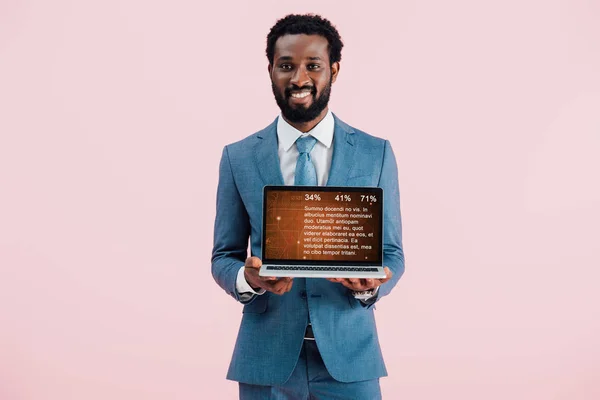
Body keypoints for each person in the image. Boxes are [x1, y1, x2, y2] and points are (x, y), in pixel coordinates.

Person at [211, 13, 405, 399]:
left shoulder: (375, 153)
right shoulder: (239, 158)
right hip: (266, 357)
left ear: (333, 70)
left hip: (350, 355)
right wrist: (248, 279)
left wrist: (372, 287)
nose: (299, 79)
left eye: (312, 66)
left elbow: (392, 253)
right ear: (271, 71)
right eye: (286, 66)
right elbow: (224, 256)